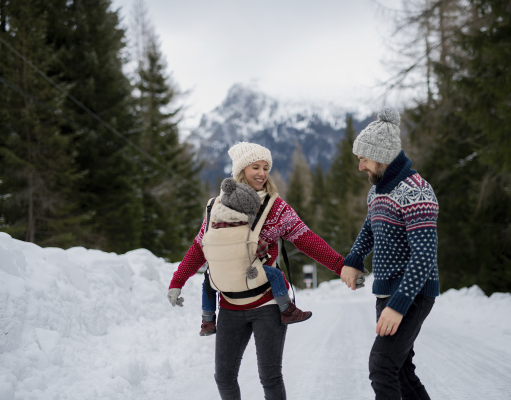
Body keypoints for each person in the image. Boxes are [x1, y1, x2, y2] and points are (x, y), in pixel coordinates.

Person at [167, 141, 345, 400]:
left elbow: (307, 240)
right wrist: (177, 281)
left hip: (268, 305)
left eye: (266, 167)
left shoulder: (277, 208)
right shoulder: (215, 207)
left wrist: (341, 266)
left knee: (270, 377)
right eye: (255, 167)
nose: (262, 173)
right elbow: (199, 248)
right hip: (228, 305)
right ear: (240, 170)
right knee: (224, 378)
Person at [340, 107, 440, 400]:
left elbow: (424, 258)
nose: (361, 167)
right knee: (400, 370)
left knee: (382, 367)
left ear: (383, 157)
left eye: (364, 160)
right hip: (387, 293)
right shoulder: (378, 191)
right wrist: (354, 258)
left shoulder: (417, 191)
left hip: (413, 294)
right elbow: (370, 228)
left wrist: (397, 306)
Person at [199, 177, 312, 336]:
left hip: (219, 279)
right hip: (245, 278)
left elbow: (205, 252)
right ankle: (287, 310)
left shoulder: (211, 231)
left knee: (207, 284)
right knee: (275, 274)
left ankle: (208, 321)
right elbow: (261, 254)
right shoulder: (248, 233)